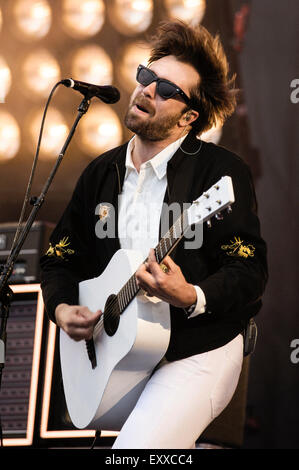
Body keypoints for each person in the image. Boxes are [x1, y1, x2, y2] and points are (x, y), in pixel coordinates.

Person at [40, 20, 268, 449]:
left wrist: (190, 295)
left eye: (167, 90)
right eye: (147, 77)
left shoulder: (220, 173)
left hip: (200, 349)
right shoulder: (100, 173)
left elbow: (249, 269)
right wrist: (61, 307)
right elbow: (60, 256)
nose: (147, 90)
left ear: (189, 117)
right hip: (123, 355)